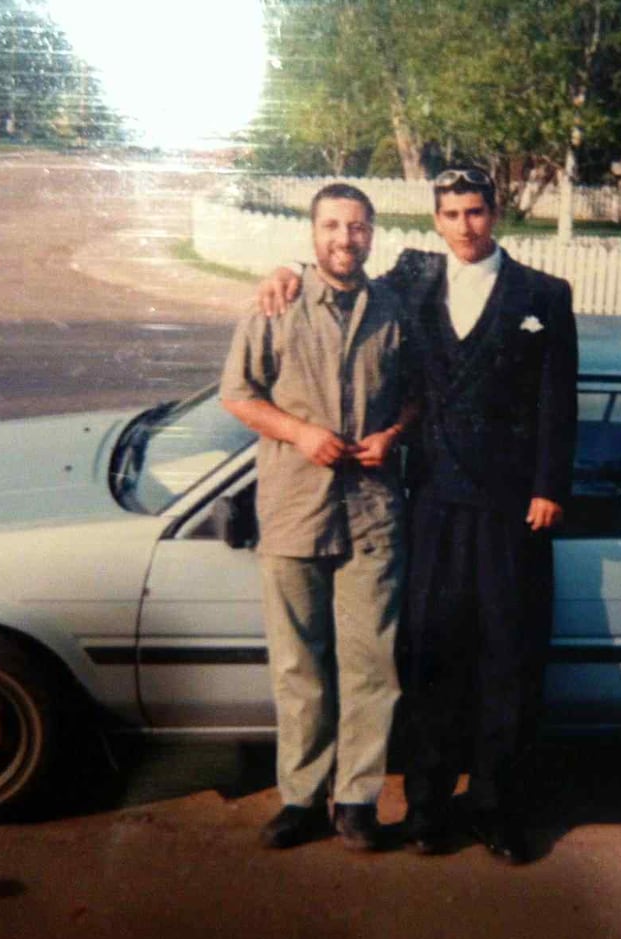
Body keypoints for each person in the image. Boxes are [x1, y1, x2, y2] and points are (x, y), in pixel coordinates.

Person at [258, 168, 577, 863]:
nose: (465, 225)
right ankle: (430, 808)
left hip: (509, 510)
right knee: (430, 658)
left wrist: (550, 485)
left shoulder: (543, 296)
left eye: (477, 212)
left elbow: (559, 399)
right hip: (430, 502)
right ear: (435, 221)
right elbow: (336, 272)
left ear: (498, 215)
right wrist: (282, 270)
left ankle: (496, 807)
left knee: (507, 661)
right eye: (452, 214)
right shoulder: (410, 282)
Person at [222, 183, 414, 852]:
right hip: (293, 507)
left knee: (370, 664)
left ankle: (357, 799)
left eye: (357, 227)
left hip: (372, 512)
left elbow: (418, 395)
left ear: (372, 233)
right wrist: (299, 434)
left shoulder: (395, 308)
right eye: (332, 225)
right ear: (312, 234)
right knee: (298, 666)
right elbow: (237, 394)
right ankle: (302, 796)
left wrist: (394, 433)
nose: (345, 238)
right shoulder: (278, 304)